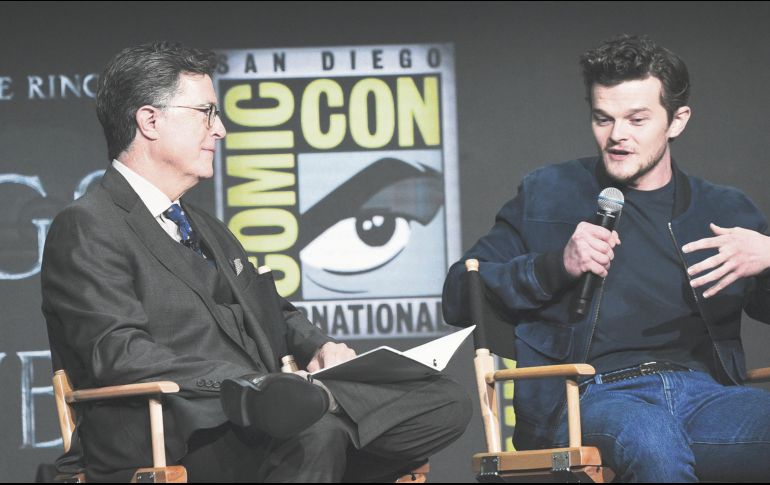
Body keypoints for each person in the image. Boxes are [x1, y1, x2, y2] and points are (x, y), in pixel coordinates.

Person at [41, 41, 471, 483]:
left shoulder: (208, 227)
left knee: (443, 401)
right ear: (150, 121)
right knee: (316, 435)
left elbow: (274, 313)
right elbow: (118, 353)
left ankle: (320, 404)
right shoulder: (88, 225)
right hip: (177, 431)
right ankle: (313, 412)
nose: (220, 129)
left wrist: (318, 348)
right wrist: (247, 385)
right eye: (207, 112)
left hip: (269, 423)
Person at [442, 34, 770, 482]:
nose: (617, 135)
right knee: (651, 436)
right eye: (603, 119)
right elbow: (460, 293)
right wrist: (557, 266)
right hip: (589, 397)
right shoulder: (548, 193)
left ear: (677, 121)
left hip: (705, 397)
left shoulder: (726, 209)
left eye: (637, 119)